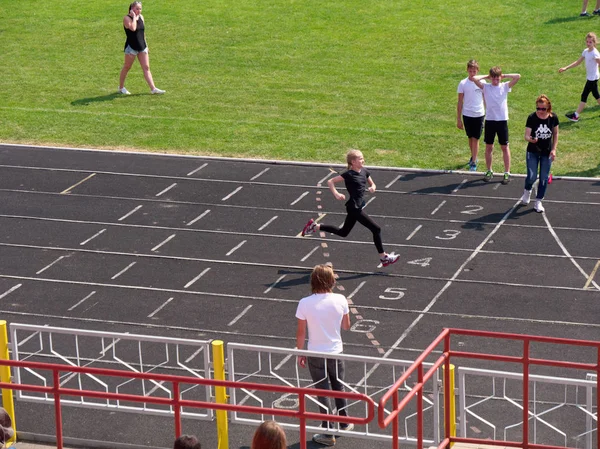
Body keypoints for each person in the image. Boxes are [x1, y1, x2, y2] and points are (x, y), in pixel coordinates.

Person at [301, 150, 399, 268]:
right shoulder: (349, 174)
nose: (363, 160)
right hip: (354, 208)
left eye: (363, 158)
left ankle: (315, 226)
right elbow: (330, 181)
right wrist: (336, 194)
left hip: (358, 206)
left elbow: (372, 184)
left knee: (343, 232)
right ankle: (383, 257)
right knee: (376, 229)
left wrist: (372, 187)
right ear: (353, 162)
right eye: (360, 159)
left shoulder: (365, 171)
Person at [295, 264, 353, 447]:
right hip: (336, 351)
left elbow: (301, 332)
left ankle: (328, 431)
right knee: (338, 386)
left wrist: (300, 352)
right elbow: (346, 326)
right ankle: (344, 422)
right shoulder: (341, 299)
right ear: (331, 281)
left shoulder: (304, 303)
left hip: (315, 353)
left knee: (322, 391)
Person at [473, 67, 521, 184]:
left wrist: (504, 75)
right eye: (493, 79)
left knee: (504, 147)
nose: (495, 81)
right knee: (489, 147)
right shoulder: (486, 87)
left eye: (497, 79)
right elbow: (474, 78)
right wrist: (486, 77)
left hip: (502, 120)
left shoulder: (504, 86)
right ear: (491, 79)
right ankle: (489, 170)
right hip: (490, 120)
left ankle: (507, 172)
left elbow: (518, 76)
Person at [521, 95, 559, 213]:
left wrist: (554, 149)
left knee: (543, 178)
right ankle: (527, 191)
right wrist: (530, 139)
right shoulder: (532, 117)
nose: (540, 111)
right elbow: (526, 135)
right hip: (533, 151)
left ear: (548, 107)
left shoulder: (553, 118)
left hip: (546, 152)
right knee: (531, 176)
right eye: (538, 108)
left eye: (543, 109)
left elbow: (556, 134)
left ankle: (538, 201)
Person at [119, 2, 165, 95]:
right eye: (137, 8)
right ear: (131, 9)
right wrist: (134, 17)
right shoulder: (127, 18)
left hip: (141, 46)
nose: (139, 11)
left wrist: (146, 45)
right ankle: (121, 87)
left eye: (140, 9)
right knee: (127, 67)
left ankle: (153, 88)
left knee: (146, 67)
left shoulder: (141, 17)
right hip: (131, 47)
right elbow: (133, 28)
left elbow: (143, 32)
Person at [559, 32, 600, 122]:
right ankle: (576, 115)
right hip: (591, 77)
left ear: (594, 43)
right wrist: (566, 68)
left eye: (590, 42)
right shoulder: (586, 51)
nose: (588, 44)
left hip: (592, 78)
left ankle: (575, 115)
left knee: (584, 95)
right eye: (587, 42)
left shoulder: (595, 53)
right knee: (596, 95)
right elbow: (577, 62)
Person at [457, 60, 486, 172]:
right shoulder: (463, 83)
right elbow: (459, 102)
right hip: (467, 114)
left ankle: (473, 161)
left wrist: (488, 112)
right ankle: (473, 155)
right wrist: (458, 119)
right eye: (470, 71)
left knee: (476, 138)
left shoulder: (482, 82)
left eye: (474, 71)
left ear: (478, 71)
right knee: (470, 138)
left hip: (479, 114)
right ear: (467, 70)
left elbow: (485, 97)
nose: (472, 73)